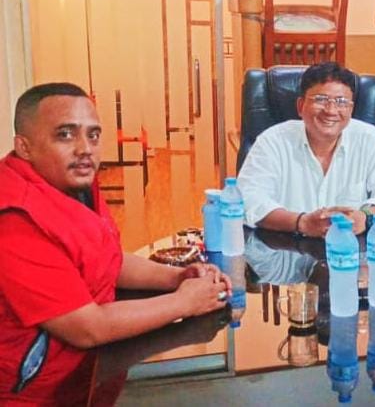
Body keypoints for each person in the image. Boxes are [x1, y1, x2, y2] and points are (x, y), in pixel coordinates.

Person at [0, 83, 232, 405]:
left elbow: (107, 259)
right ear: (24, 147)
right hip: (39, 393)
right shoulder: (16, 220)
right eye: (65, 135)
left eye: (93, 135)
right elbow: (86, 328)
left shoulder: (68, 184)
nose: (85, 149)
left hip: (90, 371)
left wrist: (177, 276)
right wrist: (184, 302)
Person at [237, 62, 375, 238]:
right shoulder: (273, 141)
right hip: (284, 248)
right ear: (300, 106)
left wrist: (364, 217)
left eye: (341, 102)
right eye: (320, 99)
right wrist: (302, 222)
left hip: (351, 250)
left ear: (351, 109)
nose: (331, 111)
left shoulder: (370, 139)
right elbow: (248, 198)